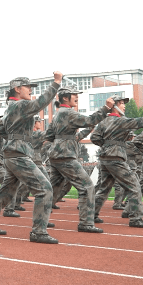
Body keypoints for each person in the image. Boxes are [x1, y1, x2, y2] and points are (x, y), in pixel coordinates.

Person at [0, 75, 60, 243]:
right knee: (44, 189)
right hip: (19, 153)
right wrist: (56, 83)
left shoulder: (9, 108)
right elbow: (41, 103)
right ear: (17, 89)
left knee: (6, 193)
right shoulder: (21, 105)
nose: (31, 90)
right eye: (28, 87)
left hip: (12, 153)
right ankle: (38, 232)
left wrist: (6, 142)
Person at [90, 96, 143, 227]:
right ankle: (136, 219)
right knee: (135, 186)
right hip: (116, 157)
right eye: (120, 103)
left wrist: (106, 145)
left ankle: (91, 215)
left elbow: (94, 137)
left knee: (103, 189)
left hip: (104, 158)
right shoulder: (120, 121)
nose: (124, 106)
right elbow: (139, 122)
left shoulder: (103, 121)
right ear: (114, 106)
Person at [45, 87, 113, 233]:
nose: (77, 97)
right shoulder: (69, 113)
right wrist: (106, 108)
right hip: (66, 155)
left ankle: (41, 219)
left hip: (56, 155)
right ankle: (86, 223)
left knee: (53, 190)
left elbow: (49, 136)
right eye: (74, 95)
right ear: (65, 98)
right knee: (87, 186)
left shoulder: (57, 114)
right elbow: (89, 120)